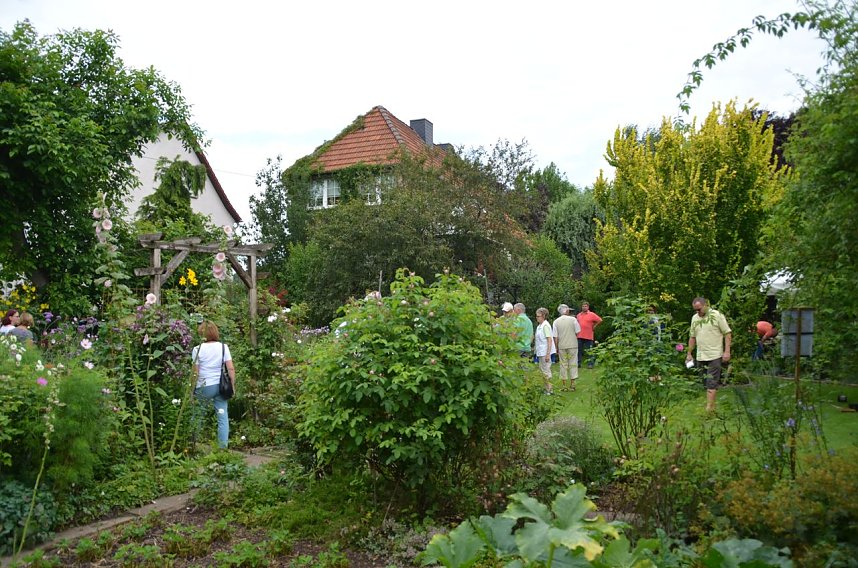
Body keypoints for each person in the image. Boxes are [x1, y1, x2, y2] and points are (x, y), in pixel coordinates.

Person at [191, 321, 236, 449]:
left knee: (198, 416)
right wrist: (232, 385)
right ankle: (223, 448)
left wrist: (191, 390)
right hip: (220, 387)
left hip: (204, 387)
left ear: (202, 333)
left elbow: (195, 372)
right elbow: (231, 368)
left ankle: (193, 445)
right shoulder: (223, 347)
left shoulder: (197, 349)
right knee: (222, 416)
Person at [685, 297, 732, 413]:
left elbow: (727, 333)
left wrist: (727, 351)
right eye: (695, 310)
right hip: (701, 355)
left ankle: (709, 408)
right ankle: (712, 405)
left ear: (706, 305)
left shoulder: (717, 315)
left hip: (715, 354)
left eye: (699, 309)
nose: (697, 312)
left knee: (712, 381)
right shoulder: (694, 318)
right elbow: (692, 337)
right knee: (705, 382)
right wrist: (689, 353)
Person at [553, 304, 582, 391]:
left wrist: (556, 347)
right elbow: (578, 331)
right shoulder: (573, 319)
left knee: (563, 364)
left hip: (562, 345)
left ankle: (564, 385)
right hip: (573, 344)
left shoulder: (556, 322)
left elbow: (556, 336)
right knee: (573, 363)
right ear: (566, 311)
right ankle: (573, 384)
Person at [534, 308, 554, 393]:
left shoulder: (545, 326)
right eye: (536, 316)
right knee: (542, 370)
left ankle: (549, 389)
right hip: (541, 351)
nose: (537, 318)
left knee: (546, 370)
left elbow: (549, 340)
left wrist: (548, 354)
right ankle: (546, 388)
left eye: (538, 316)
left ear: (544, 316)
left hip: (545, 351)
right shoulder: (540, 326)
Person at [576, 302, 602, 368]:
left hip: (588, 336)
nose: (584, 307)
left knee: (590, 351)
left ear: (588, 307)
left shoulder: (592, 314)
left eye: (585, 306)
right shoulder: (579, 315)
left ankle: (590, 364)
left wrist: (595, 326)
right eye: (583, 306)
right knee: (579, 350)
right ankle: (578, 363)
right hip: (579, 335)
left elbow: (600, 320)